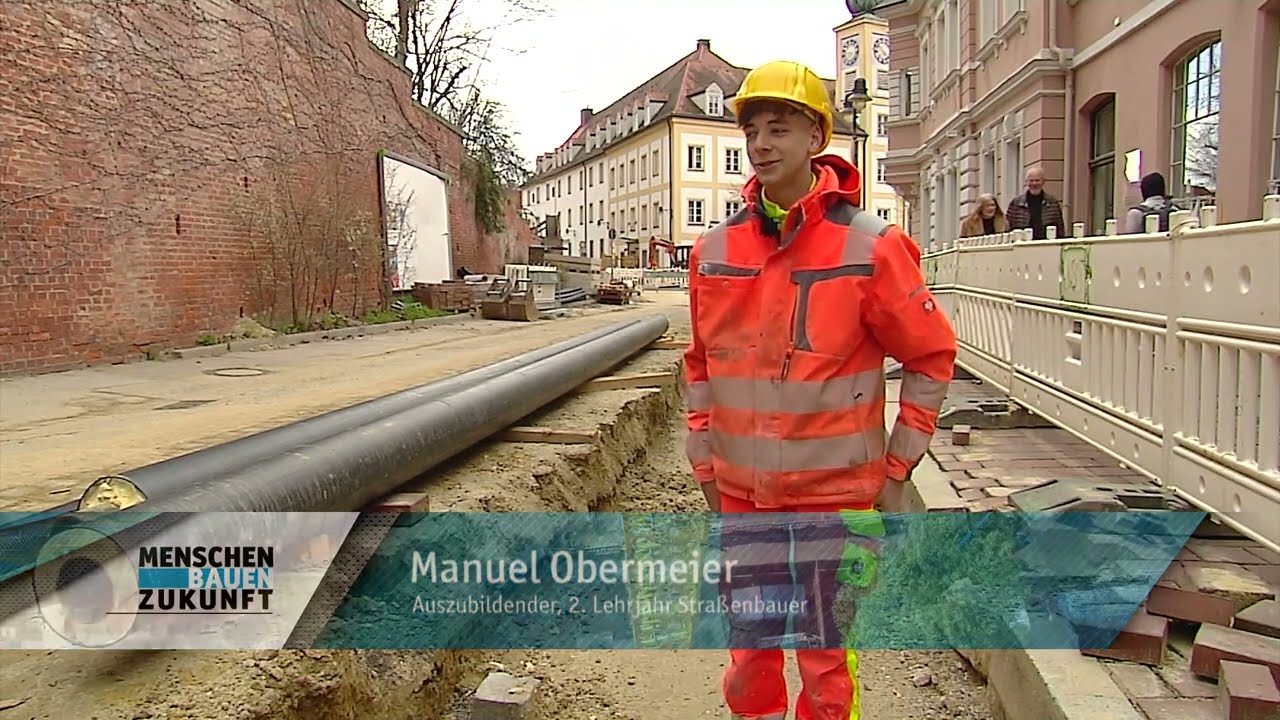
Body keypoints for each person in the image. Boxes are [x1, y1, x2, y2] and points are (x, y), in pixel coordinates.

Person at [682, 59, 958, 720]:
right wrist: (705, 466)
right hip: (744, 500)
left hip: (837, 504)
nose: (761, 145)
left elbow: (931, 356)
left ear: (816, 138)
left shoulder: (873, 247)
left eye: (779, 128)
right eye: (752, 131)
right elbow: (700, 368)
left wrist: (897, 470)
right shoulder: (714, 251)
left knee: (828, 661)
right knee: (750, 657)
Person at [1005, 166, 1067, 239]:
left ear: (1043, 182)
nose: (1034, 183)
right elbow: (1008, 227)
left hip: (1046, 244)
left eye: (1037, 180)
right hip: (1022, 244)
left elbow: (1060, 227)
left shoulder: (1052, 202)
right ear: (1026, 182)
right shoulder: (1016, 203)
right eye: (1031, 180)